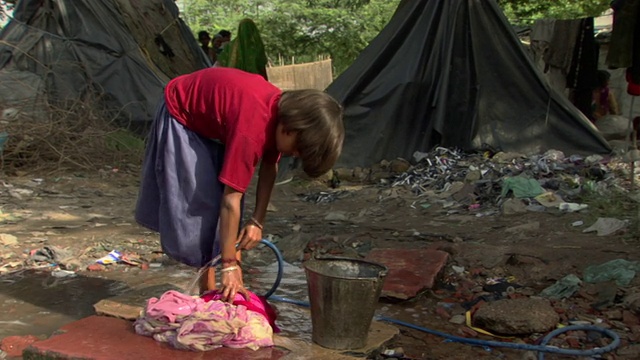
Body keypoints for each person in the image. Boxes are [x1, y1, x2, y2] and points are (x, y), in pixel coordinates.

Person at [134, 67, 344, 302]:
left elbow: (268, 167)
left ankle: (223, 280)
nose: (294, 154)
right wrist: (230, 264)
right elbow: (229, 201)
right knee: (202, 204)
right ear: (291, 128)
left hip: (214, 123)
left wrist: (257, 221)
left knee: (229, 199)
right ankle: (211, 285)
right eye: (297, 150)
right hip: (182, 112)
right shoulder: (253, 128)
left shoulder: (279, 116)